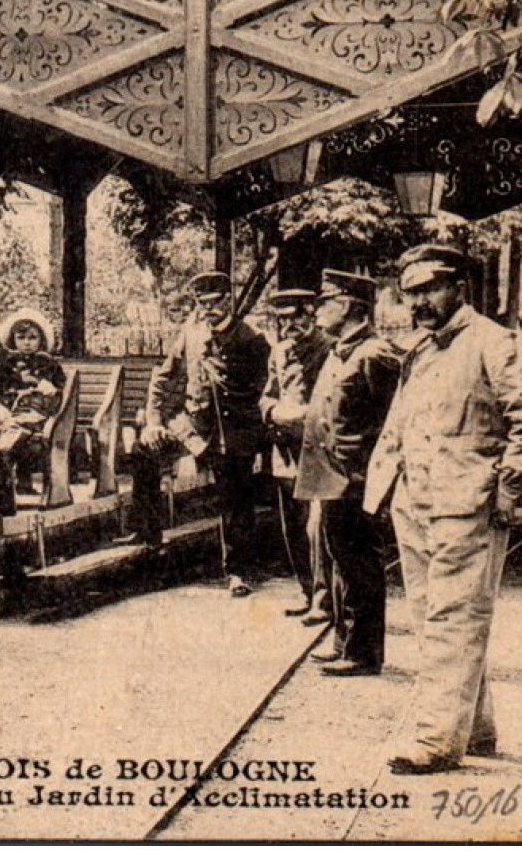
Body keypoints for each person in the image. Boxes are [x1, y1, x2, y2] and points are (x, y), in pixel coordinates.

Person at [365, 243, 522, 774]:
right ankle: (475, 728)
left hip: (467, 506)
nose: (419, 302)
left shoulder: (494, 344)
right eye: (411, 294)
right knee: (435, 621)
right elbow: (399, 427)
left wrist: (507, 491)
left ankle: (434, 742)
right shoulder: (420, 351)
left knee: (452, 619)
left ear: (457, 287)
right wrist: (383, 493)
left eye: (430, 289)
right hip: (417, 506)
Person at [134, 271, 271, 596]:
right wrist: (154, 420)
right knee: (142, 452)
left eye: (215, 303)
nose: (208, 310)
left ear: (229, 300)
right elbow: (163, 378)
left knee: (235, 498)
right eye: (202, 304)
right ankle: (149, 544)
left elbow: (263, 388)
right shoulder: (190, 334)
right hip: (193, 426)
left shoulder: (251, 339)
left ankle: (238, 571)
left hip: (233, 430)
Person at [293, 270, 401, 677]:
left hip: (354, 479)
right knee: (341, 561)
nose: (318, 309)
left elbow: (391, 419)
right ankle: (344, 641)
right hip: (332, 476)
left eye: (327, 301)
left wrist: (369, 476)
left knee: (360, 564)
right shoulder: (342, 352)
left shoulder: (375, 354)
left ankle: (363, 653)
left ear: (350, 306)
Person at [260, 289, 335, 622]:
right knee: (293, 525)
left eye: (296, 317)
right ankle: (308, 591)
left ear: (311, 315)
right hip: (286, 451)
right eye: (283, 319)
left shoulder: (329, 348)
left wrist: (305, 412)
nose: (289, 324)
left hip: (318, 448)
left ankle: (325, 598)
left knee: (317, 526)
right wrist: (274, 411)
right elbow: (267, 394)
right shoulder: (278, 351)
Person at [0, 350, 66, 494]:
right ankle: (0, 482)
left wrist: (52, 390)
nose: (27, 343)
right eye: (21, 338)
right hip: (6, 415)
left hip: (35, 416)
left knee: (17, 432)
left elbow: (61, 393)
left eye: (32, 338)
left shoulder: (48, 365)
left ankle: (8, 482)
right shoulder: (4, 365)